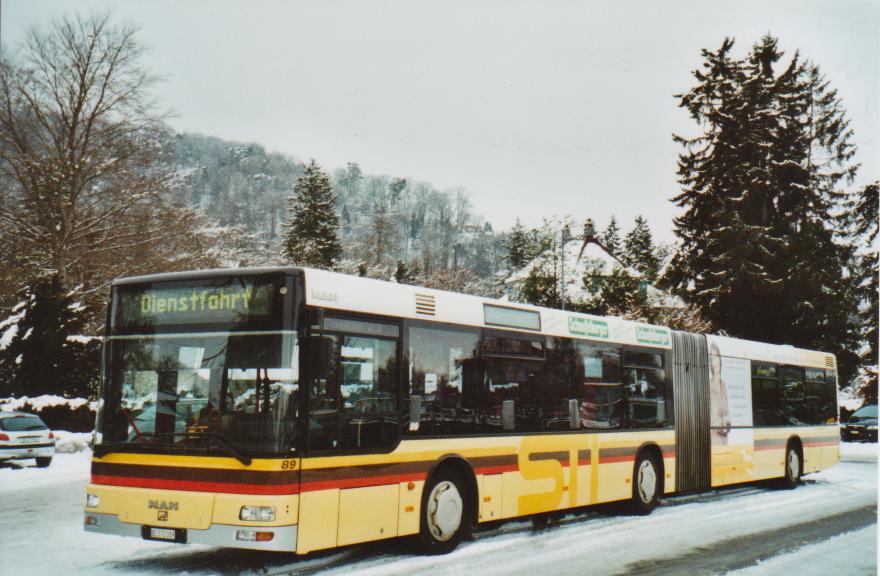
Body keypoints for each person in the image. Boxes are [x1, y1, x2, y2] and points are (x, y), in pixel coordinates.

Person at [709, 341, 731, 445]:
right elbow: (712, 412)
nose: (715, 362)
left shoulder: (723, 385)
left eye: (717, 357)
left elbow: (727, 411)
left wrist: (727, 422)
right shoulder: (708, 385)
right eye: (712, 358)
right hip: (714, 435)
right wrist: (720, 423)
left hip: (724, 435)